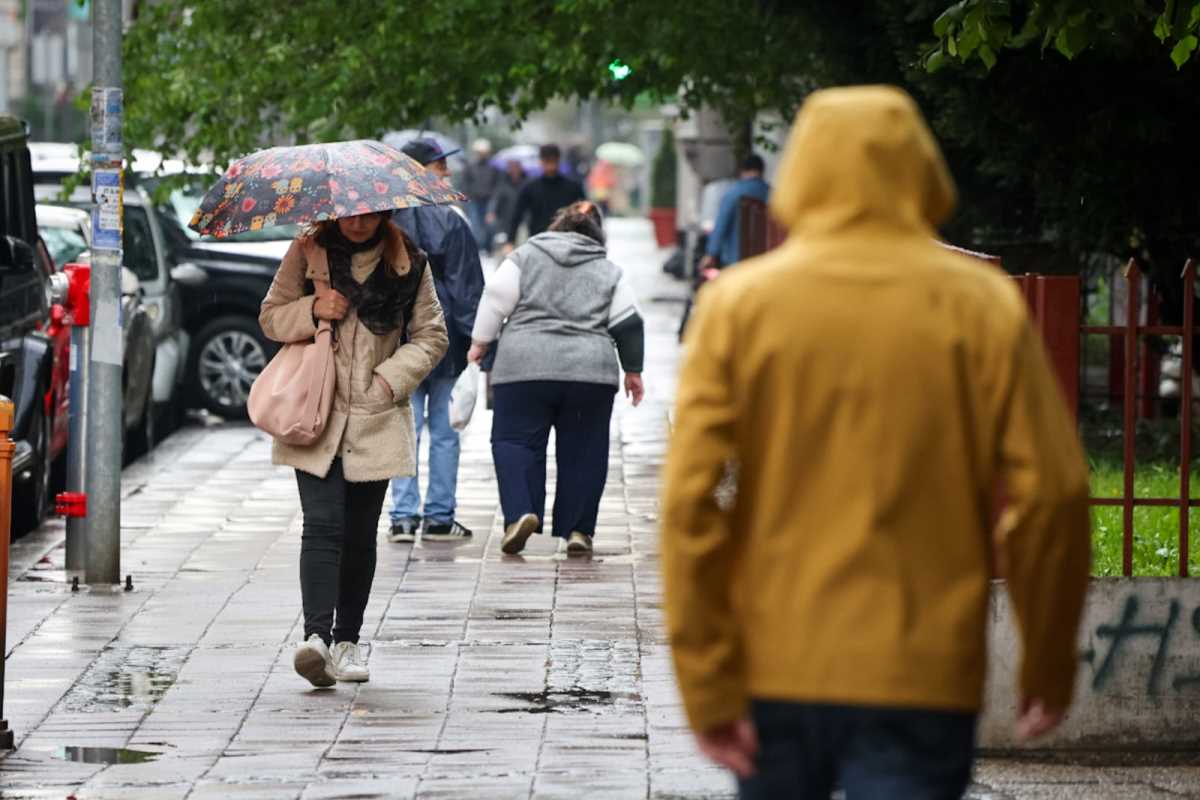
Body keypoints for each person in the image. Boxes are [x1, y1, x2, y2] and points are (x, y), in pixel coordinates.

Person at [660, 86, 1091, 797]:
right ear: (919, 167)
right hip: (922, 670)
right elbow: (1053, 490)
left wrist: (707, 681)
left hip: (778, 659)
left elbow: (688, 503)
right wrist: (1046, 659)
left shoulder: (741, 305)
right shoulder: (978, 304)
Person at [259, 211, 448, 688]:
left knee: (361, 535)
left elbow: (431, 335)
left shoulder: (410, 264)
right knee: (322, 526)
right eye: (350, 215)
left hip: (375, 415)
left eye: (369, 216)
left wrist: (389, 380)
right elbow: (271, 317)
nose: (359, 224)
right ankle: (316, 639)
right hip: (314, 411)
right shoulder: (308, 253)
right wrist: (313, 310)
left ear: (384, 214)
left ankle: (347, 641)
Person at [469, 201, 645, 556]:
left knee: (515, 443)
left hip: (523, 368)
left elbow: (495, 298)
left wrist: (479, 343)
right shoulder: (607, 269)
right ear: (596, 237)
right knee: (585, 451)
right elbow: (628, 323)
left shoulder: (524, 257)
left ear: (554, 229)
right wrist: (633, 370)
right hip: (589, 373)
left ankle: (521, 512)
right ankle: (578, 530)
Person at [388, 137, 485, 543]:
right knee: (445, 433)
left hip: (396, 344)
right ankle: (440, 516)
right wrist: (476, 341)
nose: (446, 173)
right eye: (440, 166)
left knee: (403, 430)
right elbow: (466, 290)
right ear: (422, 169)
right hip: (443, 342)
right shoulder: (451, 221)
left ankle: (403, 516)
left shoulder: (385, 221)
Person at [698, 154, 770, 274]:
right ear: (762, 171)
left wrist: (711, 253)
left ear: (743, 171)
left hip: (736, 259)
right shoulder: (772, 194)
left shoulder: (733, 193)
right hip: (766, 261)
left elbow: (721, 224)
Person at [504, 144, 586, 249]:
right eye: (547, 161)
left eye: (552, 161)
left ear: (558, 160)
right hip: (538, 241)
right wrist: (510, 240)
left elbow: (584, 214)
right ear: (541, 161)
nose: (550, 165)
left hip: (567, 241)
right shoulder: (530, 187)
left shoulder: (573, 187)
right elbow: (517, 214)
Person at [461, 138, 503, 252]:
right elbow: (465, 184)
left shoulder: (493, 168)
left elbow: (498, 185)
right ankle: (478, 248)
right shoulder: (470, 167)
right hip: (474, 200)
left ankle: (488, 247)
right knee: (476, 225)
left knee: (490, 224)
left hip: (489, 200)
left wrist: (495, 199)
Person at [487, 160, 526, 250]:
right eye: (512, 169)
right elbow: (496, 199)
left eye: (516, 168)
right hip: (504, 219)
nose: (514, 171)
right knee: (503, 243)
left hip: (522, 219)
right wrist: (491, 212)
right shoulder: (502, 184)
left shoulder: (526, 184)